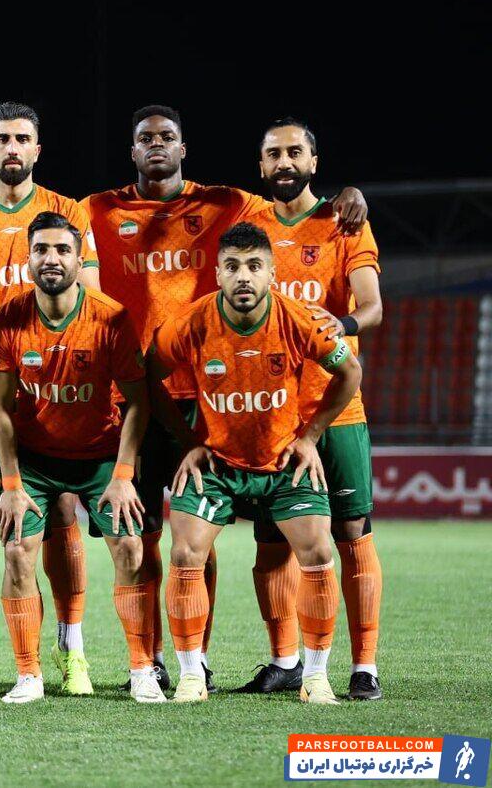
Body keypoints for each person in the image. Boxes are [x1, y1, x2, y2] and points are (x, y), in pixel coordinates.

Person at [80, 104, 367, 692]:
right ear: (132, 150)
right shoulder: (94, 209)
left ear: (183, 148)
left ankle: (206, 662)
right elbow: (41, 220)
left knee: (212, 538)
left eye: (167, 137)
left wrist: (346, 198)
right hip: (136, 398)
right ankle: (147, 663)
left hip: (207, 400)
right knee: (139, 537)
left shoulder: (226, 204)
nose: (156, 145)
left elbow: (292, 200)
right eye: (145, 138)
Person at [148, 222, 362, 704]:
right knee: (184, 555)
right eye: (232, 266)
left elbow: (350, 371)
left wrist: (311, 436)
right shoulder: (191, 323)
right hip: (217, 466)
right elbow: (149, 375)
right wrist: (188, 440)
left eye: (253, 266)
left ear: (271, 273)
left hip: (284, 462)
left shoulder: (299, 319)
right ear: (218, 274)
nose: (243, 276)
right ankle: (190, 676)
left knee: (318, 553)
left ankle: (315, 677)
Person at [0, 102, 99, 691]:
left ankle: (71, 647)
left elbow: (91, 295)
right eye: (2, 138)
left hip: (53, 391)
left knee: (63, 512)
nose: (12, 147)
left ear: (37, 149)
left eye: (22, 138)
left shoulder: (66, 211)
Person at [236, 118, 385, 700]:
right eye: (273, 153)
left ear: (313, 162)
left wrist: (339, 324)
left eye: (295, 152)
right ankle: (285, 661)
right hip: (272, 414)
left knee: (351, 533)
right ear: (261, 165)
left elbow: (371, 307)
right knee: (272, 541)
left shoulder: (345, 222)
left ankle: (364, 666)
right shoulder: (248, 222)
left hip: (336, 410)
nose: (284, 162)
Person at [0, 212, 161, 703]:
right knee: (16, 551)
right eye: (41, 249)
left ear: (80, 259)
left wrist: (123, 475)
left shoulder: (111, 318)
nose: (52, 259)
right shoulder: (7, 320)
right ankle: (29, 675)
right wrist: (11, 485)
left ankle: (142, 669)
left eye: (63, 250)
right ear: (27, 259)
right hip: (36, 459)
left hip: (100, 457)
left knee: (131, 548)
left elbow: (138, 403)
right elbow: (1, 410)